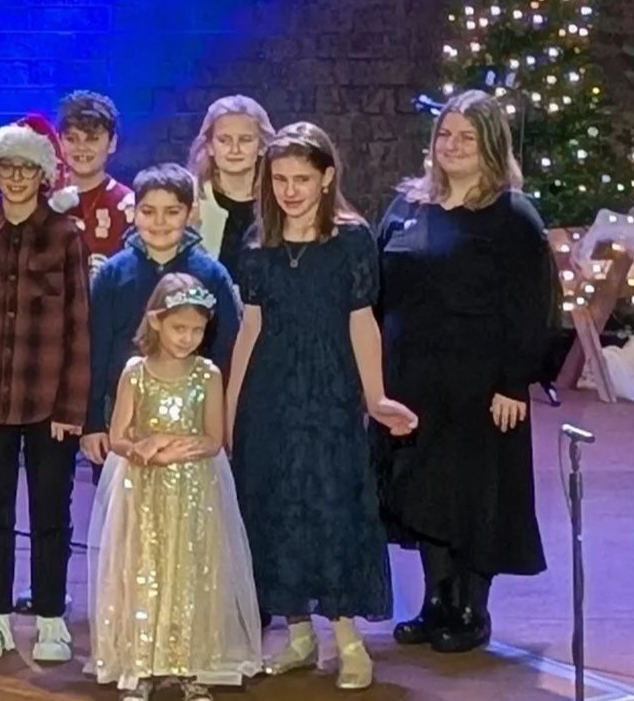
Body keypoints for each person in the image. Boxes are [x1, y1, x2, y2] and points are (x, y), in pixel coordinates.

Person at [226, 123, 417, 691]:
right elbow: (249, 329)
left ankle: (348, 639)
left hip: (329, 387)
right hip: (270, 391)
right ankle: (299, 633)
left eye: (301, 179)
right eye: (280, 179)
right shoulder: (259, 243)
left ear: (327, 177)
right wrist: (232, 408)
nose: (289, 190)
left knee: (331, 505)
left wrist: (376, 395)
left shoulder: (351, 241)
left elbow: (363, 322)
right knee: (276, 503)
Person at [376, 91, 554, 656]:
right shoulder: (407, 205)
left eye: (466, 138)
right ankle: (435, 601)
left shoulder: (510, 215)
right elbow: (377, 287)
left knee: (474, 493)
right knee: (424, 489)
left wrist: (514, 380)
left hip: (480, 385)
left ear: (490, 146)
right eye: (445, 135)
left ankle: (472, 607)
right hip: (411, 379)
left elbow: (534, 305)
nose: (451, 146)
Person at [0, 115, 88, 668]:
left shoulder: (66, 236)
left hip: (50, 402)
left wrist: (71, 405)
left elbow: (79, 323)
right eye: (7, 167)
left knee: (52, 512)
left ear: (44, 174)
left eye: (27, 168)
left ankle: (52, 619)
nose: (17, 177)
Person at [87, 275, 262, 701]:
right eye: (179, 328)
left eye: (197, 330)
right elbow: (120, 435)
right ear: (156, 322)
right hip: (143, 489)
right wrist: (146, 448)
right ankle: (142, 662)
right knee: (144, 569)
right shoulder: (137, 373)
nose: (188, 338)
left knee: (192, 571)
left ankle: (189, 663)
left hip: (194, 489)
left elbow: (213, 438)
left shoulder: (207, 375)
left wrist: (169, 447)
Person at [83, 165, 242, 466]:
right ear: (134, 211)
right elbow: (96, 349)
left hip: (194, 427)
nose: (159, 222)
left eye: (171, 212)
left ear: (190, 213)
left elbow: (226, 351)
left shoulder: (212, 274)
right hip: (125, 426)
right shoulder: (112, 275)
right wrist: (93, 422)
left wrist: (224, 420)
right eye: (148, 211)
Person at [190, 97, 273, 280]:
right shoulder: (190, 198)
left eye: (245, 140)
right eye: (224, 140)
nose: (234, 149)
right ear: (210, 146)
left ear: (262, 147)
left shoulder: (281, 199)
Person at [57, 90, 135, 277]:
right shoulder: (40, 199)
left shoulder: (128, 205)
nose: (81, 148)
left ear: (112, 143)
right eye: (72, 139)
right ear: (60, 142)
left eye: (92, 139)